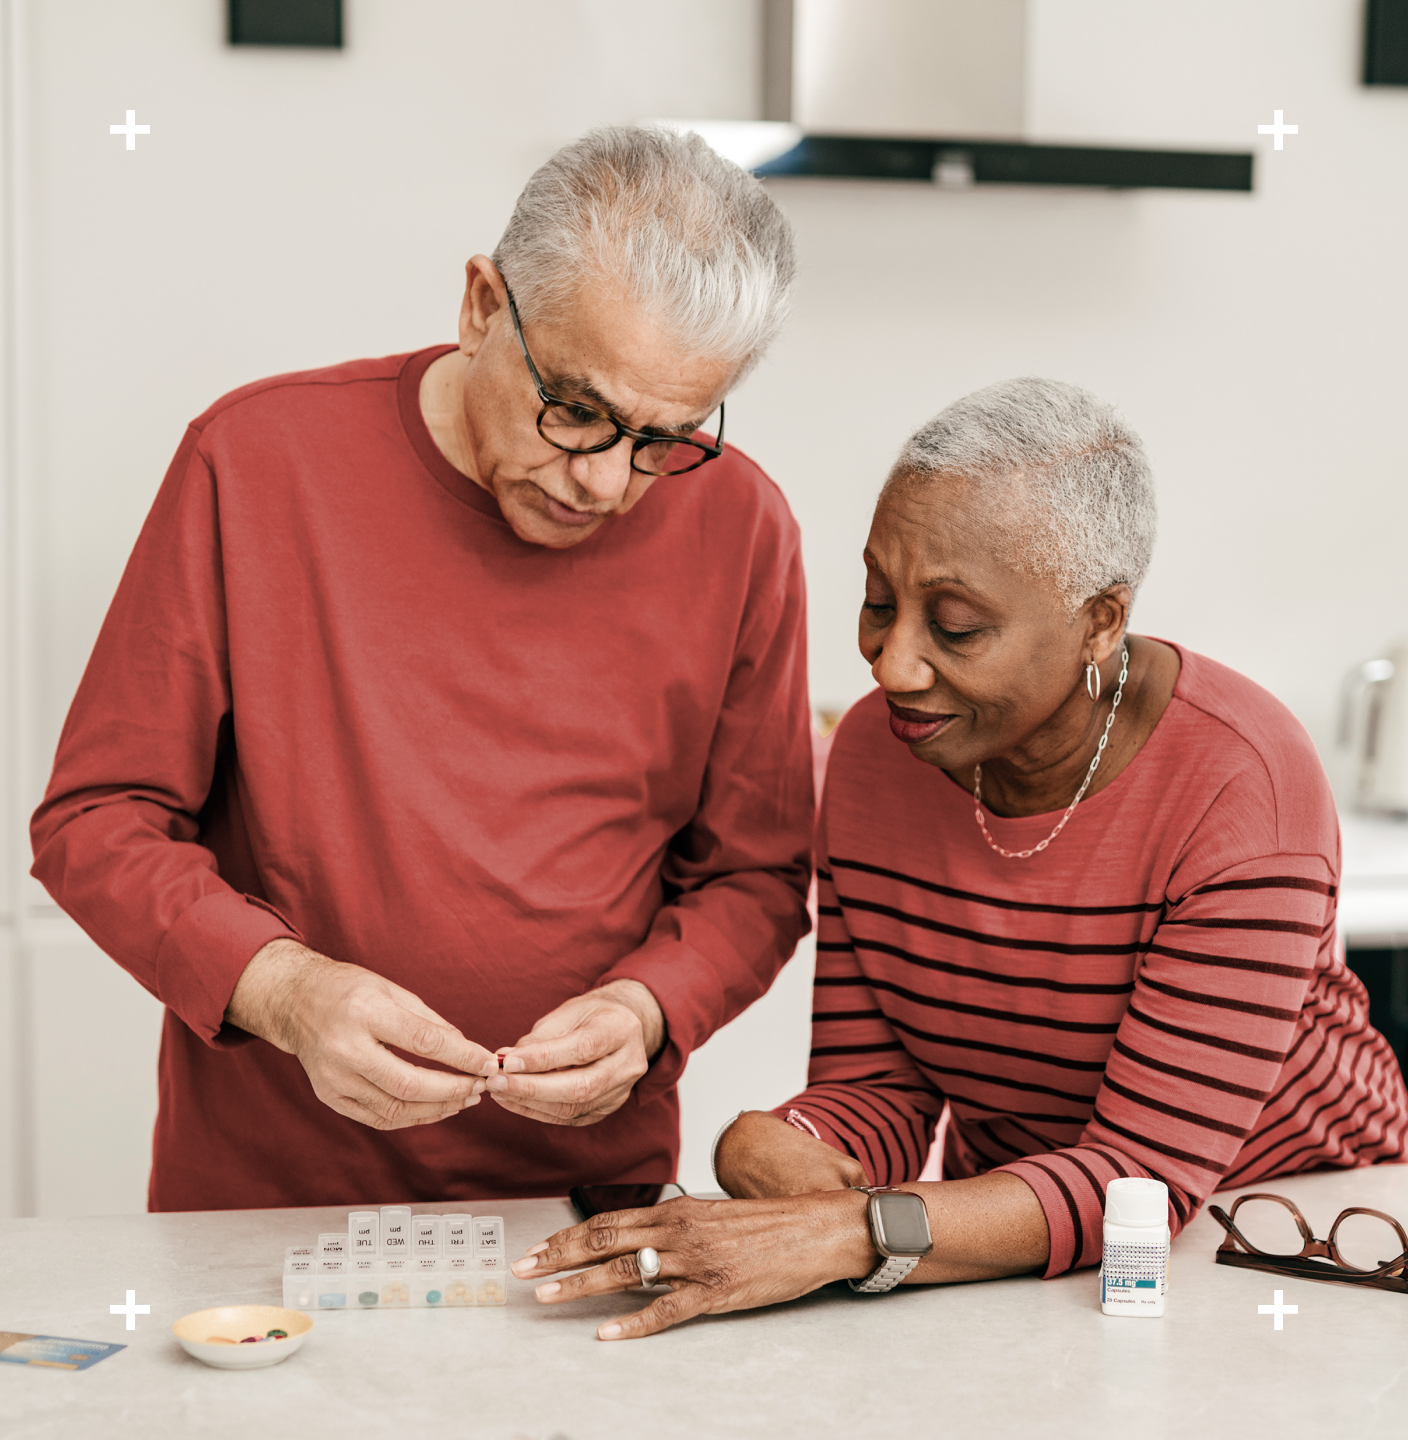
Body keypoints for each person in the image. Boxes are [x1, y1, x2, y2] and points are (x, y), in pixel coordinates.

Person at [513, 377, 1408, 1338]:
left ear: (1100, 620)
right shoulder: (875, 755)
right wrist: (782, 1143)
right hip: (1033, 1247)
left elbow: (1137, 1181)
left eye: (956, 627)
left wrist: (850, 1233)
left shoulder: (1241, 791)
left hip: (1308, 1241)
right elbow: (885, 1091)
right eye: (877, 601)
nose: (892, 664)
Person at [30, 127, 813, 1210]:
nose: (602, 481)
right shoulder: (255, 461)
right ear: (483, 307)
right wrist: (289, 993)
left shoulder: (742, 527)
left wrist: (650, 1005)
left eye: (660, 439)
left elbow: (755, 874)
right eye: (576, 409)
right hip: (268, 1204)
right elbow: (97, 820)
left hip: (585, 1200)